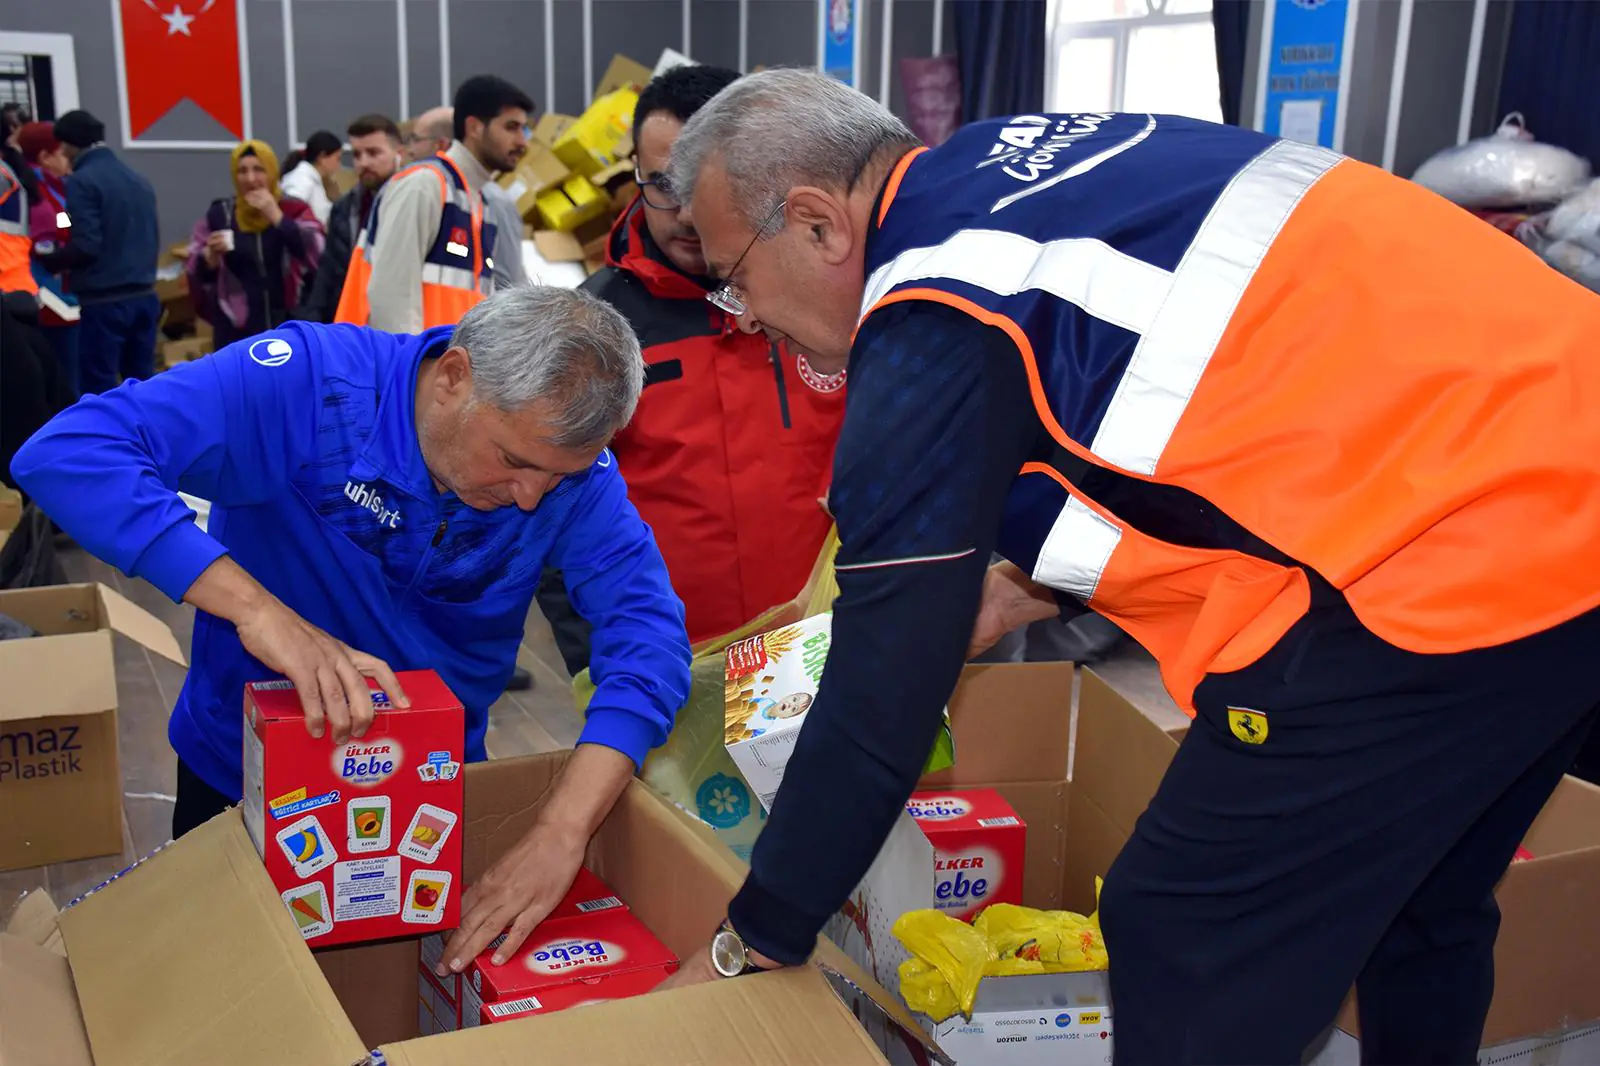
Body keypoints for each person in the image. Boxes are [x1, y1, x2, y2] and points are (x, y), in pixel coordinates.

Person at [656, 70, 1600, 1063]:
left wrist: (754, 936)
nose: (744, 313)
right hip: (1562, 479)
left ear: (814, 222)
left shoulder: (934, 309)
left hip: (1446, 559)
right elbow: (1221, 399)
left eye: (734, 274)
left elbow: (876, 704)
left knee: (1184, 928)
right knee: (1418, 891)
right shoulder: (1024, 162)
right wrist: (1019, 588)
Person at [10, 285, 693, 964]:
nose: (528, 498)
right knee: (220, 985)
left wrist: (561, 831)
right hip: (238, 776)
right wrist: (258, 611)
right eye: (514, 461)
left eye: (558, 477)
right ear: (454, 377)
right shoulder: (311, 383)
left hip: (431, 792)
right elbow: (67, 452)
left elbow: (651, 640)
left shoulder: (576, 478)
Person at [537, 64, 844, 672]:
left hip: (828, 655)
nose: (683, 214)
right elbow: (550, 515)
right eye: (662, 183)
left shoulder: (834, 301)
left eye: (705, 183)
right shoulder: (592, 327)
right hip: (667, 674)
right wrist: (599, 665)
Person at [336, 76, 531, 332]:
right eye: (511, 127)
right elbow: (392, 298)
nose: (522, 142)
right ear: (474, 127)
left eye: (523, 129)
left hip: (446, 365)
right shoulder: (423, 185)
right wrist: (417, 368)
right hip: (405, 366)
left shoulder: (478, 200)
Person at [33, 110, 159, 395]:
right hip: (144, 295)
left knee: (99, 391)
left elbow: (87, 245)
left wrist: (52, 260)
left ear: (69, 144)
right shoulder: (138, 180)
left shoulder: (83, 181)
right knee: (142, 388)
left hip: (105, 301)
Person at [186, 140, 325, 347]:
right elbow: (197, 271)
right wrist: (210, 258)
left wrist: (277, 217)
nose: (250, 179)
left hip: (288, 324)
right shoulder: (221, 215)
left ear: (271, 172)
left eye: (259, 169)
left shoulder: (293, 209)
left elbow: (318, 253)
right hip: (236, 329)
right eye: (242, 171)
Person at [295, 115, 402, 323]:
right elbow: (328, 274)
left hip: (398, 325)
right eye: (357, 154)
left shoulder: (416, 202)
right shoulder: (345, 208)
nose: (363, 163)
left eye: (373, 153)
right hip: (351, 326)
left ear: (399, 154)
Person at [13, 122, 80, 394]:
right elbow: (45, 245)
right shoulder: (38, 197)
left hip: (63, 298)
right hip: (53, 302)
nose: (68, 160)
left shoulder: (56, 189)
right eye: (63, 153)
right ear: (44, 157)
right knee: (64, 379)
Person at [279, 129, 341, 226]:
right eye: (337, 158)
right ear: (322, 157)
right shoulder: (301, 180)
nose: (338, 165)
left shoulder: (314, 180)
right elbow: (291, 212)